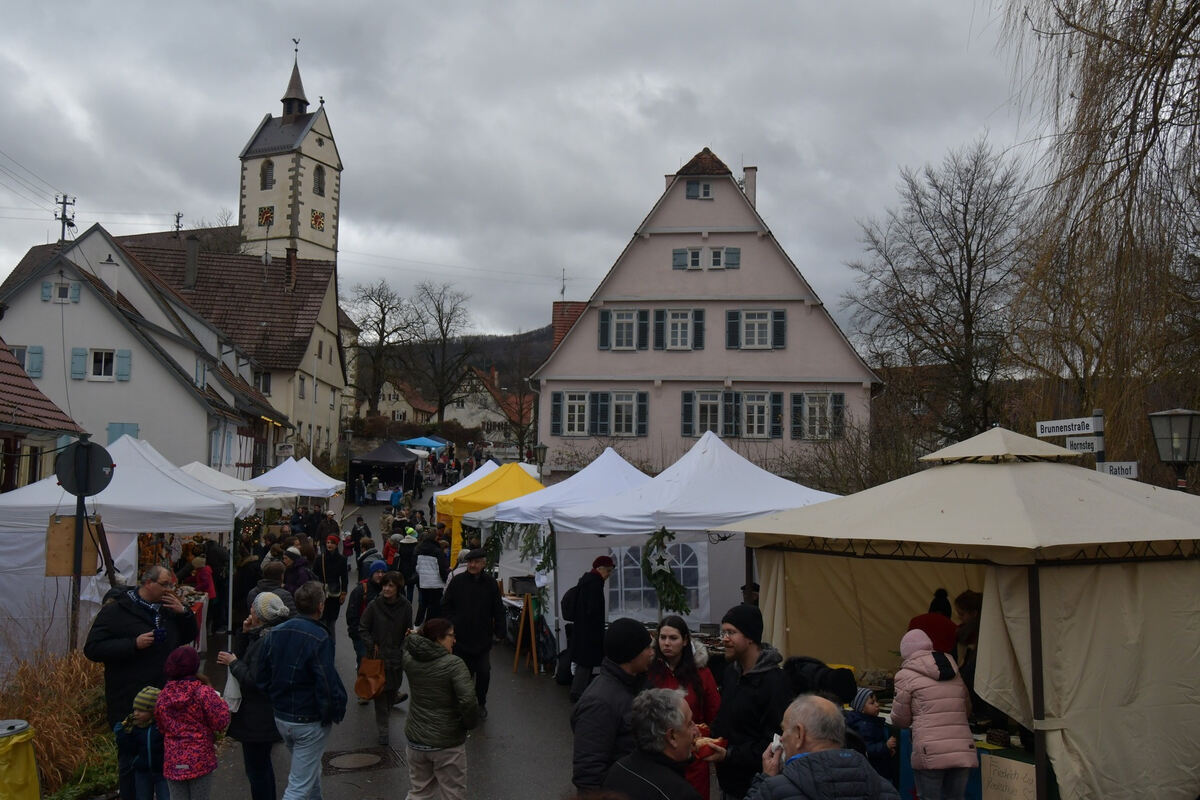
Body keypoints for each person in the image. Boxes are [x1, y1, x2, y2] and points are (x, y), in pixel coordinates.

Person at [84, 565, 199, 800]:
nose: (170, 589)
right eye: (165, 584)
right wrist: (133, 644)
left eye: (172, 585)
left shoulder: (168, 609)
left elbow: (186, 636)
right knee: (130, 761)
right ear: (148, 583)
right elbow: (93, 649)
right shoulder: (116, 612)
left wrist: (184, 613)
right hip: (129, 697)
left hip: (165, 696)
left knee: (163, 757)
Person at [256, 581, 347, 800]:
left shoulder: (274, 633)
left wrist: (276, 699)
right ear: (321, 606)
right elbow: (326, 680)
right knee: (298, 786)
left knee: (309, 773)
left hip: (283, 716)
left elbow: (262, 676)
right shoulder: (320, 637)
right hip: (308, 719)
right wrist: (330, 712)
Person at [709, 604, 793, 800]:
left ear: (750, 637)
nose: (724, 639)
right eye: (724, 632)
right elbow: (726, 718)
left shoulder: (774, 682)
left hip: (757, 786)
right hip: (728, 782)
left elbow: (774, 741)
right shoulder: (731, 673)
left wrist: (729, 755)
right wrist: (709, 735)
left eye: (731, 632)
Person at [745, 694, 900, 800]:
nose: (782, 738)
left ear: (799, 734)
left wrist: (764, 779)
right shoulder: (885, 789)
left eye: (784, 730)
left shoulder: (774, 791)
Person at [218, 592, 291, 800]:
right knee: (261, 766)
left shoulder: (264, 643)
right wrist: (245, 633)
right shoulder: (266, 635)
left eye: (253, 608)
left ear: (259, 615)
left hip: (258, 717)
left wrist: (233, 663)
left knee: (257, 770)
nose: (249, 609)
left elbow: (254, 679)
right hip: (263, 714)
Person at [571, 617, 655, 792]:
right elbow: (588, 774)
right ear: (632, 654)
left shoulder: (631, 685)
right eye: (647, 647)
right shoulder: (599, 702)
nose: (651, 652)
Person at [891, 629, 976, 800]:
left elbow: (900, 720)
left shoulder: (904, 676)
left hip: (929, 751)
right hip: (961, 748)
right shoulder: (954, 671)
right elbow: (967, 710)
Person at [401, 618, 479, 800]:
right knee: (452, 793)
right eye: (451, 636)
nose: (454, 640)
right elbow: (468, 701)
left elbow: (407, 647)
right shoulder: (454, 664)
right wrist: (467, 724)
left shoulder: (410, 661)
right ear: (438, 638)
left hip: (416, 740)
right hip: (446, 743)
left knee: (420, 792)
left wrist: (414, 637)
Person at [647, 615, 722, 799]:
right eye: (662, 638)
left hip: (692, 758)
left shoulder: (702, 673)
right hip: (658, 758)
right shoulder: (649, 671)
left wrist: (701, 742)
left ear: (685, 640)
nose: (666, 643)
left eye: (673, 638)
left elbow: (715, 714)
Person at [602, 687, 707, 800]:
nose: (696, 730)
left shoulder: (617, 770)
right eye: (689, 723)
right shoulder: (681, 795)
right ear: (671, 736)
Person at [154, 646, 230, 799]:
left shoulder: (163, 695)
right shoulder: (203, 692)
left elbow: (161, 726)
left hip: (173, 759)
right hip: (200, 759)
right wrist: (221, 704)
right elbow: (220, 721)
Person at [441, 548, 505, 719]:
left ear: (483, 563)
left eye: (476, 562)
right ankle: (463, 704)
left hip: (482, 638)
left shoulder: (491, 583)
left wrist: (500, 631)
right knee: (463, 675)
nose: (472, 565)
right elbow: (446, 605)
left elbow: (498, 609)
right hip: (461, 637)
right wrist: (452, 625)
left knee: (484, 673)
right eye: (470, 562)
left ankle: (481, 702)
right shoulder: (457, 581)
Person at [359, 571, 413, 745]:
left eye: (391, 585)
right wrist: (371, 644)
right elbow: (363, 628)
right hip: (378, 658)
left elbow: (408, 630)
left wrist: (404, 647)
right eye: (384, 585)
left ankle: (386, 716)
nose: (387, 589)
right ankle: (383, 731)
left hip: (396, 658)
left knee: (391, 692)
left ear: (398, 588)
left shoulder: (406, 606)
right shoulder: (375, 605)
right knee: (380, 695)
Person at [568, 555, 615, 702]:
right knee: (585, 663)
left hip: (582, 629)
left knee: (584, 663)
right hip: (589, 631)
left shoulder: (587, 581)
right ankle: (577, 694)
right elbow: (593, 610)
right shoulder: (595, 584)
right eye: (608, 571)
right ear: (600, 569)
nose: (608, 575)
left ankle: (580, 692)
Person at [113, 686, 169, 800]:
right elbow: (128, 748)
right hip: (142, 772)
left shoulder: (162, 726)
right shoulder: (134, 727)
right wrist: (121, 734)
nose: (136, 713)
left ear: (154, 711)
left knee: (166, 797)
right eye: (135, 709)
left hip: (162, 772)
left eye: (141, 710)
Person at [844, 687, 896, 783]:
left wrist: (886, 751)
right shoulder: (865, 726)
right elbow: (867, 749)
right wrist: (885, 746)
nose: (877, 705)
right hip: (875, 771)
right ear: (861, 709)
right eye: (872, 703)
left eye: (876, 701)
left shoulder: (869, 722)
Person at [347, 560, 388, 677]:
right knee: (365, 662)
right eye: (377, 572)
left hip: (383, 636)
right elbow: (351, 614)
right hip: (363, 635)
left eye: (383, 572)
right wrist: (356, 635)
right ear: (371, 573)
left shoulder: (389, 589)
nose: (380, 575)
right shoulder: (361, 590)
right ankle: (364, 689)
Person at [907, 588, 959, 656]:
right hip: (941, 664)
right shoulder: (953, 627)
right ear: (948, 610)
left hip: (916, 662)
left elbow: (908, 647)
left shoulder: (915, 621)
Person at [313, 535, 349, 635]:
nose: (329, 545)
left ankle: (331, 643)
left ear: (336, 545)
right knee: (322, 618)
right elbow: (314, 575)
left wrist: (344, 592)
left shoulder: (342, 559)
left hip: (335, 592)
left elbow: (344, 577)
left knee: (332, 620)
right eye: (328, 542)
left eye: (332, 543)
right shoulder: (320, 559)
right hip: (321, 592)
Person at [414, 530, 448, 625]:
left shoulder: (419, 550)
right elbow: (442, 568)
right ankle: (430, 625)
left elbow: (416, 566)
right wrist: (445, 580)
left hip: (423, 582)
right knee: (434, 607)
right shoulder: (437, 551)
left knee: (423, 604)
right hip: (436, 583)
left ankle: (417, 625)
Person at [390, 528, 419, 603]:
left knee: (402, 586)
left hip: (402, 568)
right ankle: (409, 602)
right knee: (410, 588)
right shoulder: (415, 548)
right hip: (411, 569)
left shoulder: (401, 546)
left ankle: (402, 600)